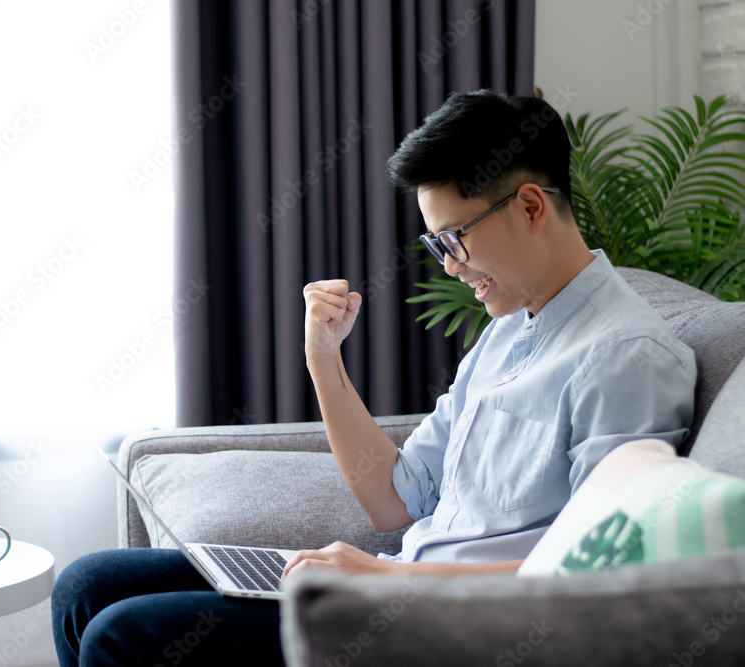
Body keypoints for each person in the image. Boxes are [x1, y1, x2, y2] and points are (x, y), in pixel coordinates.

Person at [51, 90, 696, 666]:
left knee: (122, 635)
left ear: (529, 206)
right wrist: (324, 359)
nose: (450, 267)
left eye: (454, 239)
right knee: (86, 586)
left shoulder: (628, 356)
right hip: (396, 588)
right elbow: (395, 499)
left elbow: (597, 576)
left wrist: (386, 581)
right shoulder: (508, 330)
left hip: (451, 628)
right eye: (437, 246)